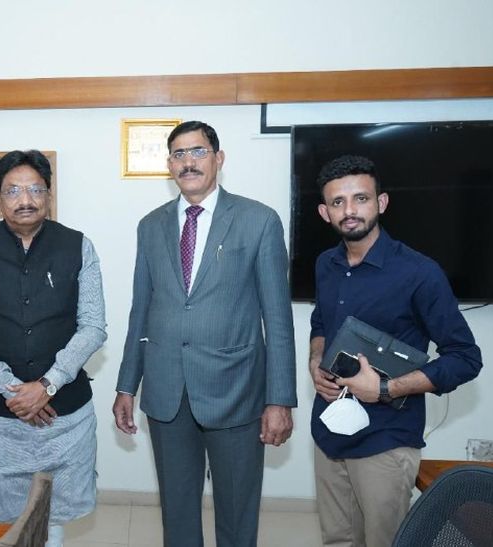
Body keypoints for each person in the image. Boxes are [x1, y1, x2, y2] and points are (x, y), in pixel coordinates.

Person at [113, 120, 297, 547]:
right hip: (167, 393)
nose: (188, 162)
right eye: (178, 154)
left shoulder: (259, 221)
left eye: (198, 151)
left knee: (236, 517)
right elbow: (141, 311)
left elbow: (278, 319)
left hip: (235, 391)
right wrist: (126, 385)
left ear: (219, 159)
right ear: (169, 166)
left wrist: (279, 399)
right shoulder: (150, 225)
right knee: (177, 516)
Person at [308, 154, 482, 547]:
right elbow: (321, 323)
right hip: (329, 431)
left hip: (386, 439)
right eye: (338, 202)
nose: (350, 211)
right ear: (324, 212)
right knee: (337, 540)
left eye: (361, 198)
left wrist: (386, 389)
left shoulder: (420, 273)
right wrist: (315, 360)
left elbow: (465, 358)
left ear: (381, 203)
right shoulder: (325, 264)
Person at [0, 149, 107, 547]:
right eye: (13, 190)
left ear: (49, 194)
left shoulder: (78, 246)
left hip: (62, 419)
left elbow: (93, 326)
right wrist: (14, 390)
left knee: (52, 521)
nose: (25, 200)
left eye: (35, 189)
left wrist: (48, 385)